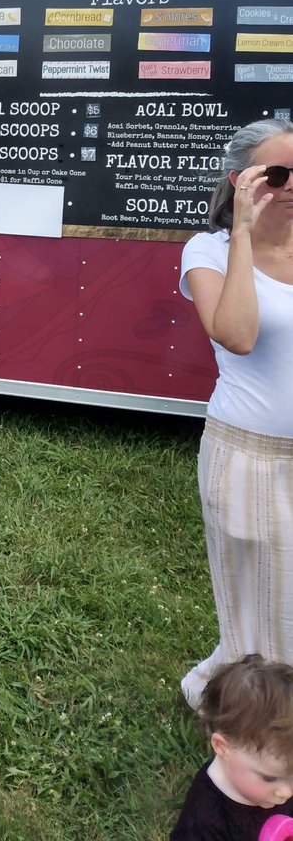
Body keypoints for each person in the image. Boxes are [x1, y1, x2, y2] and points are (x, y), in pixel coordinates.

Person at [179, 117, 293, 709]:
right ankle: (253, 722)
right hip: (247, 455)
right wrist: (245, 233)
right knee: (257, 609)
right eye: (278, 173)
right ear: (241, 179)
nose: (292, 184)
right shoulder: (211, 250)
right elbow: (237, 335)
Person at [170, 654, 293, 839]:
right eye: (269, 778)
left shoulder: (273, 776)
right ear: (222, 747)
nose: (287, 791)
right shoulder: (203, 822)